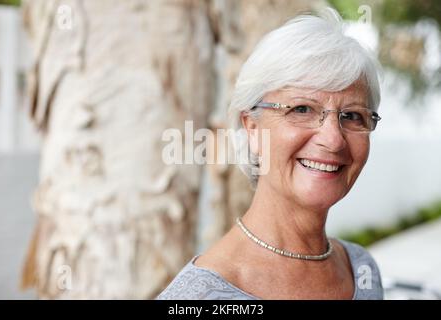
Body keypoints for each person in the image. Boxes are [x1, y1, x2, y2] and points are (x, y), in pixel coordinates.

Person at [158, 8, 384, 300]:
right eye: (302, 109)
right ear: (252, 128)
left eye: (352, 115)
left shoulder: (362, 270)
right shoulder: (200, 298)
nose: (333, 140)